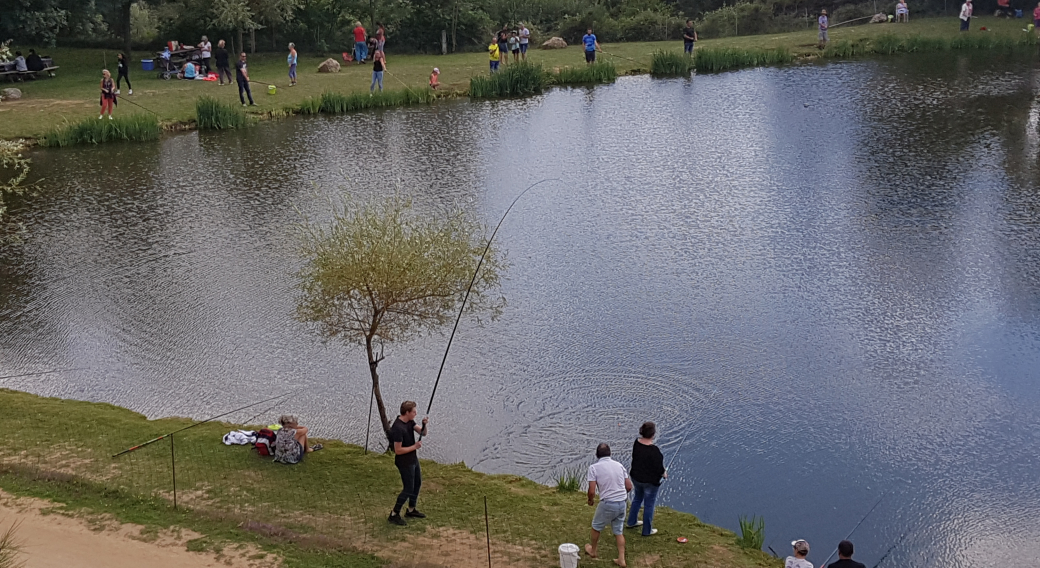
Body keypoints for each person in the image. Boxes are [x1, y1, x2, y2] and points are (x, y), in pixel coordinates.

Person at [584, 443, 631, 568]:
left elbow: (592, 491)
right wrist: (620, 495)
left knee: (596, 526)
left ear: (597, 455)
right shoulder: (619, 465)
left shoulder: (594, 468)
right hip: (622, 502)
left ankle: (593, 551)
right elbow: (629, 486)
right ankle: (621, 559)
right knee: (618, 530)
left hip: (608, 503)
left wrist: (590, 500)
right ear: (610, 453)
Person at [388, 401, 428, 526]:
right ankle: (394, 514)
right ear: (407, 412)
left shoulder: (410, 422)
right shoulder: (398, 428)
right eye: (414, 412)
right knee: (408, 488)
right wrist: (415, 446)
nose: (416, 413)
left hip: (413, 460)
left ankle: (411, 509)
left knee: (417, 483)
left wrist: (424, 425)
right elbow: (398, 450)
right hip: (404, 462)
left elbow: (423, 433)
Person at [625, 422, 666, 537]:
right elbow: (659, 468)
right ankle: (647, 530)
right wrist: (664, 473)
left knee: (637, 498)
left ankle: (631, 522)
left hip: (636, 478)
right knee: (649, 504)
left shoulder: (636, 443)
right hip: (650, 483)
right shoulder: (654, 451)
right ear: (653, 434)